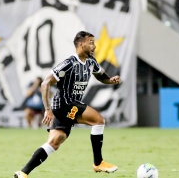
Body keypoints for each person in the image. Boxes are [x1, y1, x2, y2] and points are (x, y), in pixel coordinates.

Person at [14, 31, 121, 178]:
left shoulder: (91, 62)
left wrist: (110, 80)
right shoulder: (69, 63)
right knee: (99, 120)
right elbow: (45, 83)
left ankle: (23, 173)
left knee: (54, 142)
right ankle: (98, 163)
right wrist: (47, 109)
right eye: (91, 42)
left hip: (69, 107)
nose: (94, 46)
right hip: (64, 104)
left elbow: (101, 76)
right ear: (80, 44)